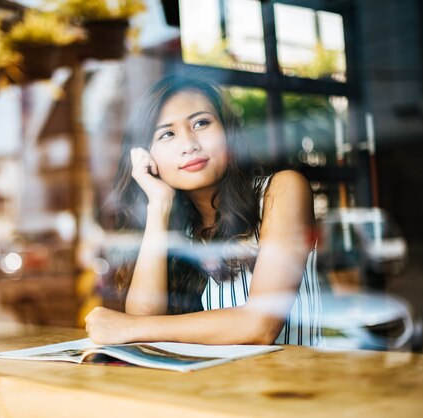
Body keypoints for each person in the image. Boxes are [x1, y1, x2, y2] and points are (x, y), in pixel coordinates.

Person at [85, 75, 324, 346]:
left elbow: (260, 325)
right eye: (167, 134)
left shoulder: (281, 190)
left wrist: (128, 327)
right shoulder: (181, 228)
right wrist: (159, 204)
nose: (189, 145)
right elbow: (143, 320)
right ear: (148, 156)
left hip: (298, 384)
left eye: (201, 123)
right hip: (218, 385)